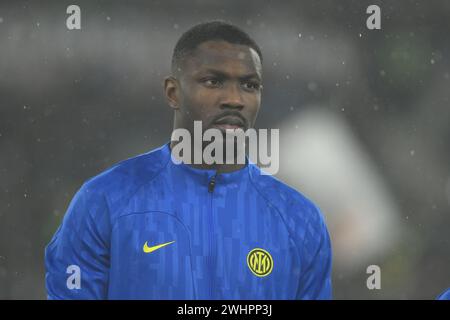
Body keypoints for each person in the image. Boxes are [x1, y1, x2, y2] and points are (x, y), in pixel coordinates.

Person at [45, 20, 333, 299]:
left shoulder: (299, 219)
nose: (234, 98)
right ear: (173, 93)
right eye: (213, 81)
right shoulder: (104, 201)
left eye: (249, 85)